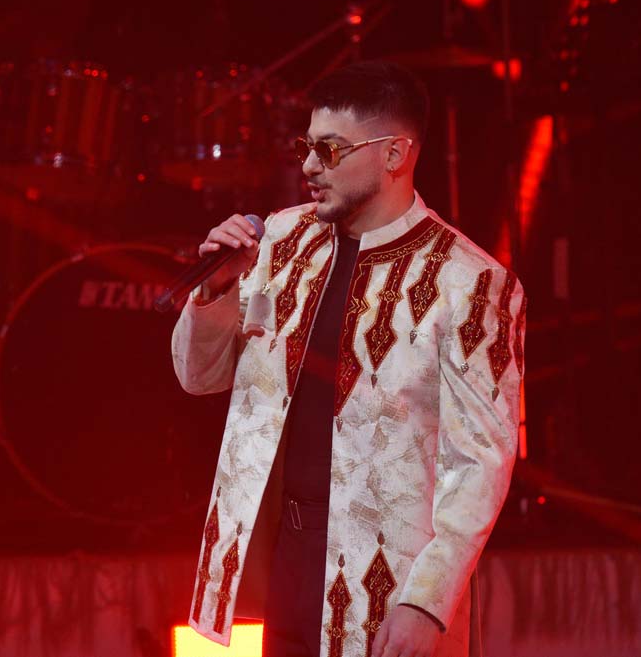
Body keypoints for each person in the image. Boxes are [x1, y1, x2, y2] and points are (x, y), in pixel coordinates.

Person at [171, 60, 526, 657]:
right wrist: (215, 289)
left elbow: (481, 463)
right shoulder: (280, 242)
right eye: (306, 148)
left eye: (330, 150)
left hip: (388, 583)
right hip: (282, 563)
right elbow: (197, 377)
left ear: (394, 154)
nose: (309, 167)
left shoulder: (470, 282)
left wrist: (426, 603)